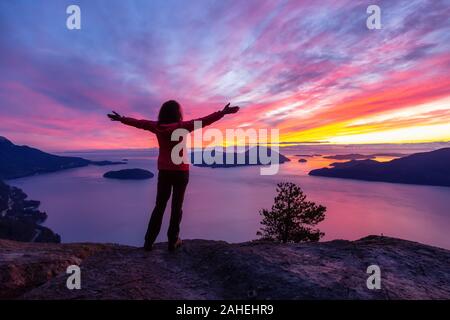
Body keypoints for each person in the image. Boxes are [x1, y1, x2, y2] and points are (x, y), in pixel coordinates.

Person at [107, 101, 239, 251]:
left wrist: (121, 119)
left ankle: (148, 242)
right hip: (181, 172)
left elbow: (139, 123)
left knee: (159, 207)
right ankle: (173, 241)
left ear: (162, 113)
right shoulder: (182, 127)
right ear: (178, 113)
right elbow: (204, 121)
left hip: (164, 172)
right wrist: (222, 112)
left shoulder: (156, 126)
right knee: (177, 207)